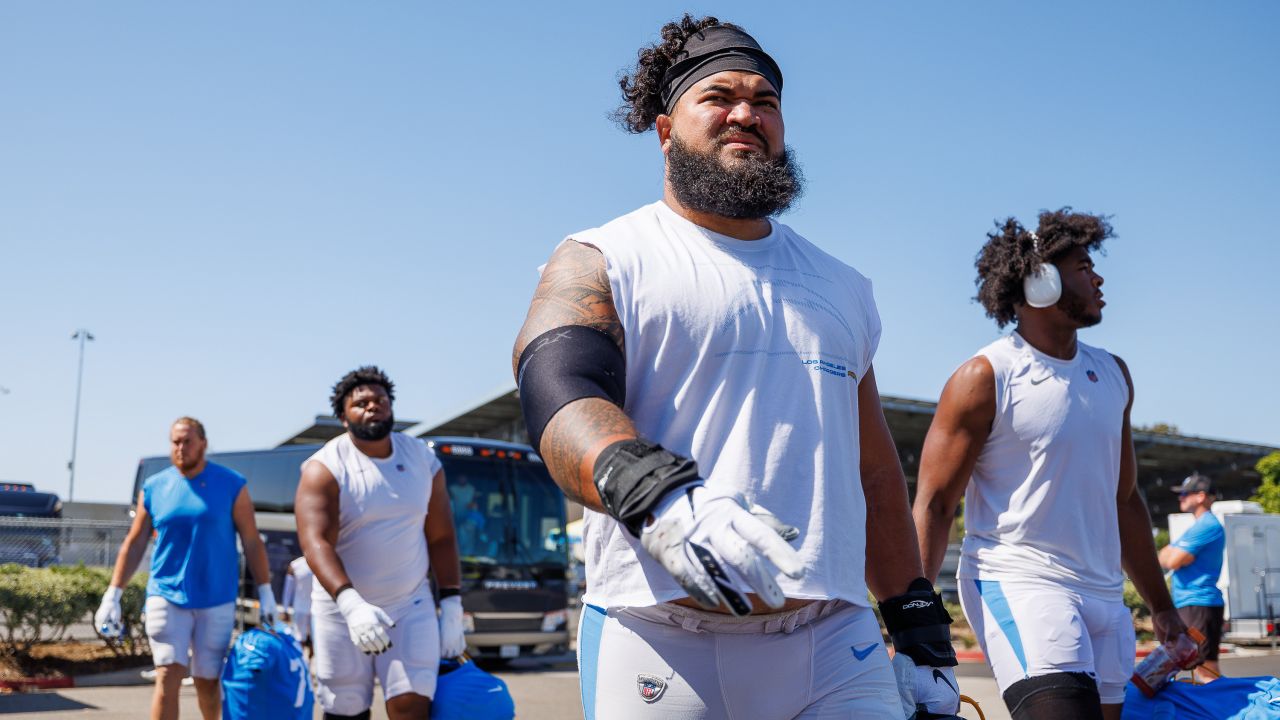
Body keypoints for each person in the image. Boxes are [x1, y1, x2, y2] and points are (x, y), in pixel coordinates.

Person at [511, 15, 959, 719]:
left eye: (767, 102)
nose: (747, 114)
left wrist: (918, 622)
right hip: (658, 636)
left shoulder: (844, 285)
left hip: (833, 642)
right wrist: (653, 493)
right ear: (666, 129)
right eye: (719, 96)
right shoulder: (603, 254)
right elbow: (558, 389)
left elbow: (871, 469)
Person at [912, 210, 1193, 720]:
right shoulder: (985, 376)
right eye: (1084, 266)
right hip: (1020, 582)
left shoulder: (1113, 374)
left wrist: (1163, 608)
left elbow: (1124, 499)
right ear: (1040, 280)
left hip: (1105, 596)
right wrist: (913, 616)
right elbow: (934, 502)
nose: (1099, 277)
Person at [294, 366, 468, 720]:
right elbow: (315, 543)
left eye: (381, 400)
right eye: (361, 403)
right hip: (340, 611)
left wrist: (451, 602)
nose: (373, 406)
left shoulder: (422, 459)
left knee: (412, 706)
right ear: (343, 416)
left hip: (409, 605)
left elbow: (441, 535)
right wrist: (350, 603)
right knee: (345, 710)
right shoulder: (323, 467)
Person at [95, 417, 277, 720]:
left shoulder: (232, 484)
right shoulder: (154, 487)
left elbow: (251, 540)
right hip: (166, 594)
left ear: (203, 444)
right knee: (168, 674)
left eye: (187, 441)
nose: (180, 448)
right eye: (175, 442)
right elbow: (136, 541)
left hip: (216, 597)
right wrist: (112, 594)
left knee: (207, 680)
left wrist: (266, 592)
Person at [1160, 472, 1225, 682]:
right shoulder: (1196, 527)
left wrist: (1172, 555)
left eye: (1185, 494)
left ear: (1200, 496)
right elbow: (1164, 555)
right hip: (1192, 604)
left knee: (1205, 669)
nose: (1181, 498)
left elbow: (1171, 560)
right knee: (1195, 667)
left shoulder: (1207, 526)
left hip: (1199, 604)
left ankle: (1222, 711)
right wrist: (1172, 555)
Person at [281, 556, 315, 647]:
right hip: (301, 609)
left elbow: (288, 590)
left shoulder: (319, 562)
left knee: (315, 641)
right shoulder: (295, 566)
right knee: (300, 640)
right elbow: (288, 590)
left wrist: (285, 609)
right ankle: (302, 660)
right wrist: (285, 609)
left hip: (316, 610)